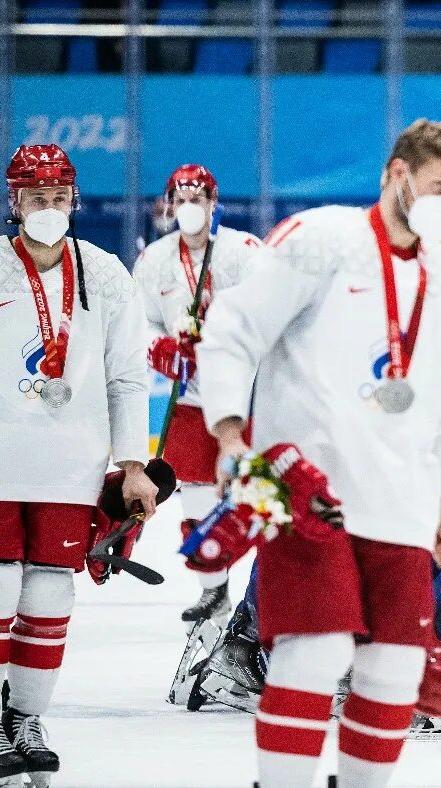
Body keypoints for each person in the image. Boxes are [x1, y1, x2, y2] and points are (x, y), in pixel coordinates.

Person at [196, 119, 441, 788]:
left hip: (401, 504)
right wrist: (231, 434)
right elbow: (232, 332)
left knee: (394, 667)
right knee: (315, 652)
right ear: (396, 175)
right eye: (438, 186)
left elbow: (440, 413)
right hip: (306, 492)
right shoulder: (321, 238)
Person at [0, 143, 156, 787]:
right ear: (15, 203)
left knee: (50, 593)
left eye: (58, 198)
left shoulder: (105, 275)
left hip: (71, 468)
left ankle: (27, 717)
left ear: (74, 200)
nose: (49, 209)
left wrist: (132, 466)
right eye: (36, 199)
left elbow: (129, 378)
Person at [132, 164, 264, 625]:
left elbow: (270, 312)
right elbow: (138, 324)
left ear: (214, 203)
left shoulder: (245, 251)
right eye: (181, 199)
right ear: (169, 205)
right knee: (197, 503)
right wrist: (162, 350)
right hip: (189, 400)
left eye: (198, 198)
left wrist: (226, 338)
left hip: (249, 399)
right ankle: (213, 589)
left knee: (264, 501)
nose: (189, 208)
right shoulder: (153, 261)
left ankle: (265, 599)